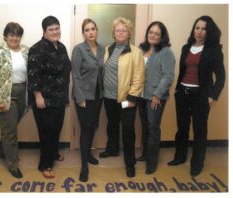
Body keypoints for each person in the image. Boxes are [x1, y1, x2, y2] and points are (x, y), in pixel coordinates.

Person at [168, 16, 225, 177]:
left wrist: (212, 96)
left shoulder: (214, 51)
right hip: (183, 94)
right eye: (197, 28)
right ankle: (180, 156)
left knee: (199, 131)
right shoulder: (187, 47)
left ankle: (197, 163)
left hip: (201, 96)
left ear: (209, 31)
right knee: (182, 129)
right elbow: (183, 71)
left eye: (203, 29)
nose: (199, 32)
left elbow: (221, 76)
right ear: (193, 29)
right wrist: (178, 90)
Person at [99, 17, 145, 178]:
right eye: (118, 30)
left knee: (127, 129)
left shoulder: (136, 52)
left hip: (126, 99)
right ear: (113, 33)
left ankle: (130, 163)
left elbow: (139, 77)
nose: (120, 32)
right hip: (109, 97)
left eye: (123, 30)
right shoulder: (107, 49)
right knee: (112, 125)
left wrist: (133, 98)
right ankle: (112, 149)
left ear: (129, 33)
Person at [27, 16, 71, 179]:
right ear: (44, 32)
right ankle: (45, 164)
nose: (55, 32)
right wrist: (38, 96)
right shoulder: (37, 49)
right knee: (46, 132)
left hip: (59, 98)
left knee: (56, 129)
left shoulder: (62, 47)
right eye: (51, 29)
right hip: (44, 100)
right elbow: (33, 75)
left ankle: (53, 153)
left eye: (57, 28)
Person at [0, 22, 28, 178]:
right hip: (6, 94)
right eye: (11, 34)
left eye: (18, 35)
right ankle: (13, 165)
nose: (15, 38)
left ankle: (4, 150)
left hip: (22, 92)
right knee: (11, 132)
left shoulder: (26, 50)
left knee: (9, 127)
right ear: (5, 36)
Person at [136, 21, 175, 174]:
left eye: (157, 33)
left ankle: (152, 162)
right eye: (151, 32)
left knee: (153, 128)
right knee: (145, 126)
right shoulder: (141, 49)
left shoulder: (166, 52)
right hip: (141, 95)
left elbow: (168, 76)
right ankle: (146, 154)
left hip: (155, 97)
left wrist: (157, 95)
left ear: (162, 36)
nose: (153, 35)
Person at [71, 19, 105, 182]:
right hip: (84, 96)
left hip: (98, 96)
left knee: (93, 126)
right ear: (83, 33)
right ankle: (84, 166)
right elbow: (76, 75)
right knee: (85, 128)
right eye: (87, 30)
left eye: (93, 29)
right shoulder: (78, 49)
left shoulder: (102, 49)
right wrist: (80, 97)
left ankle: (89, 153)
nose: (90, 32)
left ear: (97, 30)